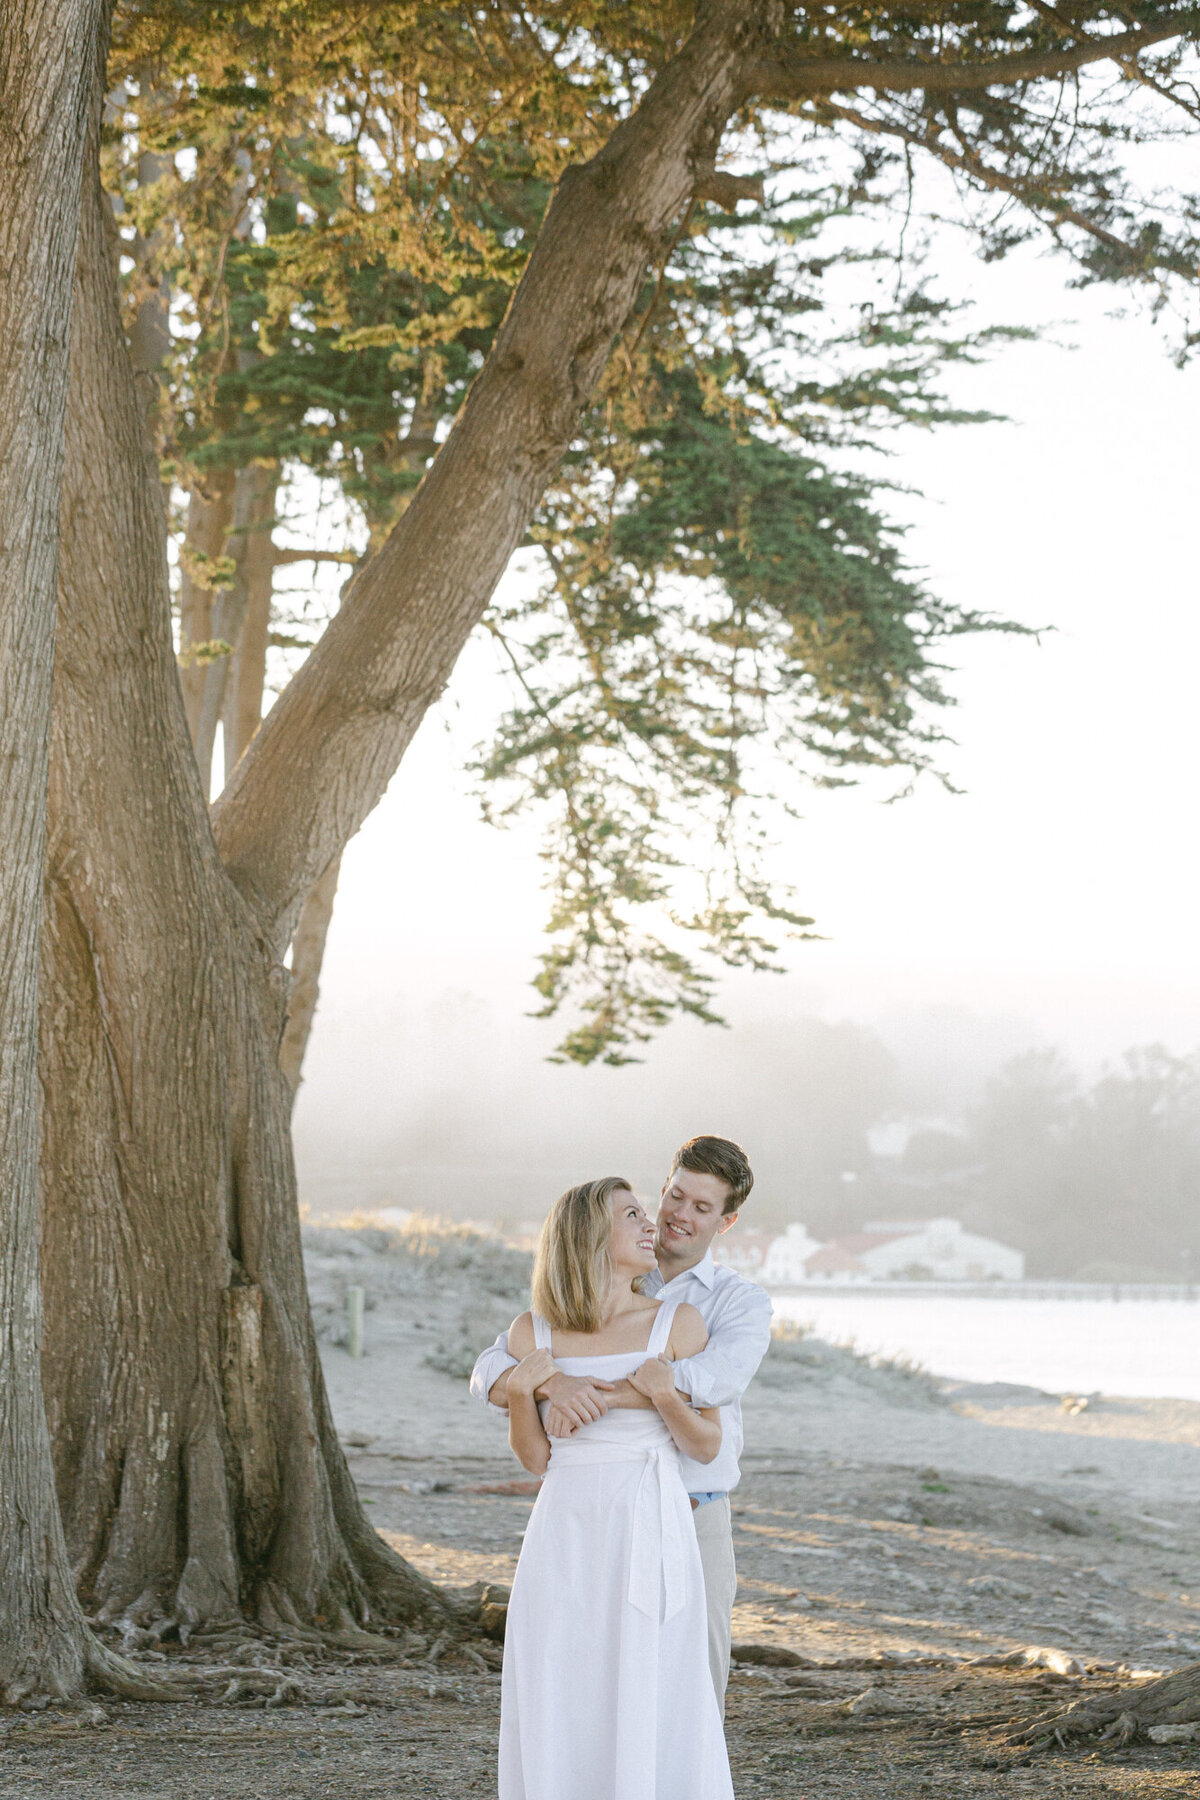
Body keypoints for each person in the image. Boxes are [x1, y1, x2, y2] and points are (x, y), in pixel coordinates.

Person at [471, 1135, 772, 1712]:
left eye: (702, 1208)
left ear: (726, 1222)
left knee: (693, 1689)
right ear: (664, 1189)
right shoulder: (594, 1284)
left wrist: (597, 1394)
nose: (680, 1215)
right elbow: (491, 1368)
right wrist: (555, 1383)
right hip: (596, 1516)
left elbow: (712, 1381)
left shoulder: (737, 1303)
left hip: (692, 1508)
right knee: (591, 1680)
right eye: (676, 1196)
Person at [497, 1176, 733, 1800]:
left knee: (649, 1675)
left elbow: (706, 1446)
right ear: (589, 1236)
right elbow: (534, 1458)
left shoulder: (675, 1325)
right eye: (632, 1214)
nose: (650, 1222)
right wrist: (527, 1389)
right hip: (564, 1525)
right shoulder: (533, 1333)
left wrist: (661, 1391)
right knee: (561, 1673)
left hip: (648, 1520)